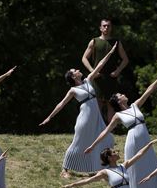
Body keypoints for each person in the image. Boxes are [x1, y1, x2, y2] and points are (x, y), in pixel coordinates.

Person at [85, 70, 157, 188]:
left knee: (151, 163)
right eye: (121, 95)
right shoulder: (118, 116)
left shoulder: (135, 106)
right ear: (118, 101)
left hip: (145, 138)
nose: (124, 95)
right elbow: (106, 131)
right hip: (133, 141)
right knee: (135, 167)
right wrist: (93, 145)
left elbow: (149, 90)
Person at [39, 44, 117, 178]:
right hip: (85, 119)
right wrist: (49, 117)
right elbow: (61, 104)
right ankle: (65, 169)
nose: (77, 70)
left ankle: (93, 168)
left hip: (96, 118)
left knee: (106, 138)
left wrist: (110, 53)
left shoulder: (88, 81)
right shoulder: (73, 90)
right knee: (79, 142)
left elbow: (100, 65)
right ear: (73, 77)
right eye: (74, 70)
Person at [81, 19, 129, 123]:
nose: (106, 28)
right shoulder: (94, 41)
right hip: (97, 78)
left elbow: (125, 59)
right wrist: (92, 71)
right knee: (97, 104)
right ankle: (97, 129)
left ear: (111, 28)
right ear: (100, 28)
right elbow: (84, 58)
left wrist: (118, 71)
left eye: (108, 26)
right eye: (104, 26)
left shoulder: (116, 42)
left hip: (111, 77)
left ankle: (109, 131)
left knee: (111, 105)